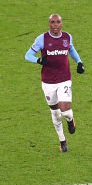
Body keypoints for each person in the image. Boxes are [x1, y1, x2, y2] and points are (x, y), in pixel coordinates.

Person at [25, 13, 85, 153]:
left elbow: (71, 49)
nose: (55, 25)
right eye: (53, 22)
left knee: (64, 110)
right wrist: (38, 60)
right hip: (48, 81)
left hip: (64, 79)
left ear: (61, 24)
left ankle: (70, 120)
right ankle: (62, 140)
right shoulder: (42, 39)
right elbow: (27, 55)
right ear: (49, 24)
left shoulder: (67, 37)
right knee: (55, 112)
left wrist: (80, 62)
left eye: (58, 22)